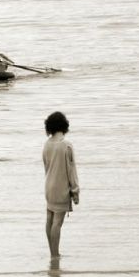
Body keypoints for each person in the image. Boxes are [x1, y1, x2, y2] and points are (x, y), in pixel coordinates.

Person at [42, 111, 80, 258]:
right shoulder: (66, 146)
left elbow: (46, 167)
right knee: (57, 222)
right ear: (64, 125)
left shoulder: (47, 145)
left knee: (49, 219)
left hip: (48, 186)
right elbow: (71, 170)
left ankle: (52, 252)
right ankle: (55, 254)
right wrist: (75, 191)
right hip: (61, 188)